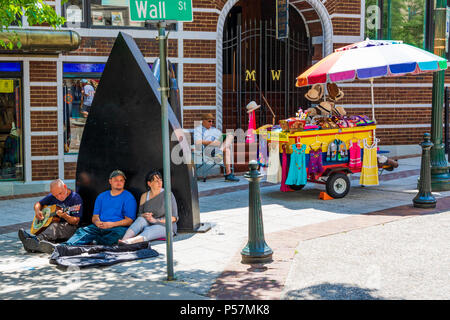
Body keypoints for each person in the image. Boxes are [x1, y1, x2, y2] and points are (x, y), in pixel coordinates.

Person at [64, 170, 137, 246]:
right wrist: (97, 222)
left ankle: (95, 242)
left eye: (121, 180)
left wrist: (111, 224)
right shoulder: (101, 196)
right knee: (83, 231)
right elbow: (95, 217)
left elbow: (129, 221)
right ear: (110, 181)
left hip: (117, 228)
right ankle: (65, 246)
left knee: (120, 234)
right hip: (100, 226)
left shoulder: (129, 197)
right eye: (116, 180)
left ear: (124, 182)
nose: (119, 182)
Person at [18, 179, 83, 254]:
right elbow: (38, 203)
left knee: (54, 226)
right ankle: (36, 244)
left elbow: (76, 221)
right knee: (49, 225)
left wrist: (65, 216)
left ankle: (34, 240)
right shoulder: (53, 196)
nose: (59, 197)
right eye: (56, 195)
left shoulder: (75, 198)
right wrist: (37, 211)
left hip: (71, 228)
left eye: (60, 193)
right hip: (56, 229)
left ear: (65, 187)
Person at [119, 170, 178, 245]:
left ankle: (128, 242)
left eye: (161, 180)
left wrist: (156, 220)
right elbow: (139, 215)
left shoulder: (168, 194)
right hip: (149, 222)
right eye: (156, 181)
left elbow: (174, 218)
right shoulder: (144, 196)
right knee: (140, 220)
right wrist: (144, 215)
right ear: (149, 183)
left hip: (165, 226)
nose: (160, 183)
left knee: (150, 230)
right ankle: (124, 240)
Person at [193, 112, 239, 182]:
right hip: (207, 149)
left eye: (212, 121)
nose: (211, 123)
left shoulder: (214, 130)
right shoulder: (198, 130)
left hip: (216, 147)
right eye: (209, 121)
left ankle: (228, 174)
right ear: (203, 121)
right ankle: (228, 175)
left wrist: (221, 139)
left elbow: (220, 138)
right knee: (226, 150)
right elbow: (197, 141)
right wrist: (211, 143)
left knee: (230, 136)